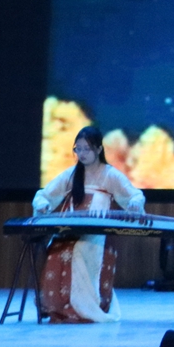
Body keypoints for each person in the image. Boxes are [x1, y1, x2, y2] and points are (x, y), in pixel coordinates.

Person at [31, 124, 146, 324]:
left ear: (99, 149)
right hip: (69, 231)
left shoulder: (110, 175)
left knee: (79, 250)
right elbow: (44, 195)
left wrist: (135, 204)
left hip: (97, 235)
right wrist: (42, 205)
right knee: (56, 249)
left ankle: (82, 309)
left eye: (87, 149)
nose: (82, 154)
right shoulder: (71, 174)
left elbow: (134, 195)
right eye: (78, 149)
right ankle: (60, 309)